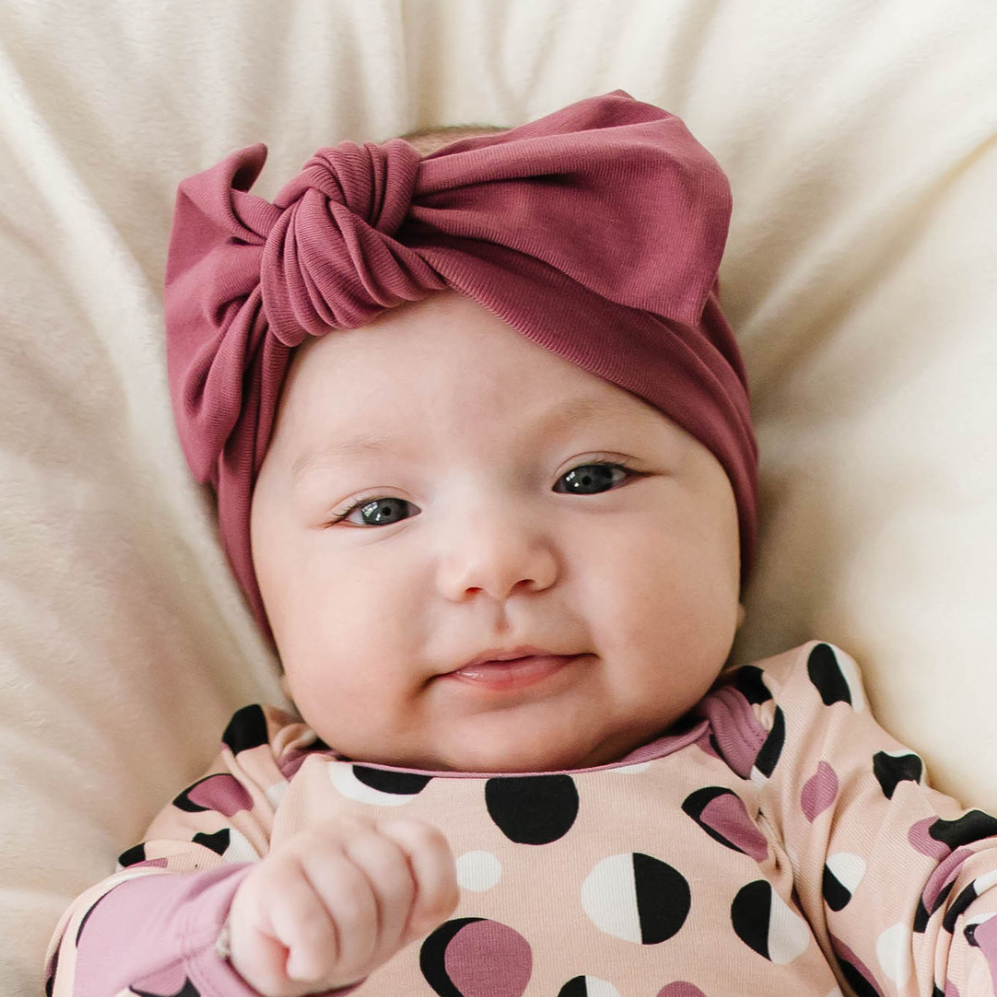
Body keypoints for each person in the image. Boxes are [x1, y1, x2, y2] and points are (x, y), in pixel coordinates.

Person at [44, 91, 997, 997]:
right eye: (379, 510)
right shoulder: (269, 804)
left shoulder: (779, 749)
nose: (494, 562)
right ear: (268, 596)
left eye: (588, 477)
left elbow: (947, 904)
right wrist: (240, 934)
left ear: (731, 526)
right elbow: (90, 962)